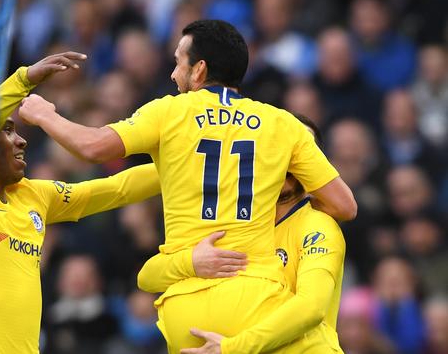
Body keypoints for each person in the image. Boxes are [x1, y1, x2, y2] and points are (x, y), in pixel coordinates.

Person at [18, 20, 357, 352]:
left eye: (178, 61)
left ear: (199, 70)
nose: (172, 73)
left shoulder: (170, 116)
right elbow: (345, 206)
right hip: (255, 304)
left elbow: (95, 151)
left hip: (184, 315)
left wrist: (45, 114)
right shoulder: (282, 125)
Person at [0, 52, 161, 353]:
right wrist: (23, 80)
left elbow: (117, 189)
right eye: (7, 130)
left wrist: (182, 163)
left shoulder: (35, 195)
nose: (22, 141)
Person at [137, 115, 345, 353]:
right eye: (283, 147)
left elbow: (312, 307)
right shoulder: (234, 221)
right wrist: (191, 262)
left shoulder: (317, 227)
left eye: (302, 153)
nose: (290, 160)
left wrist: (231, 348)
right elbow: (147, 278)